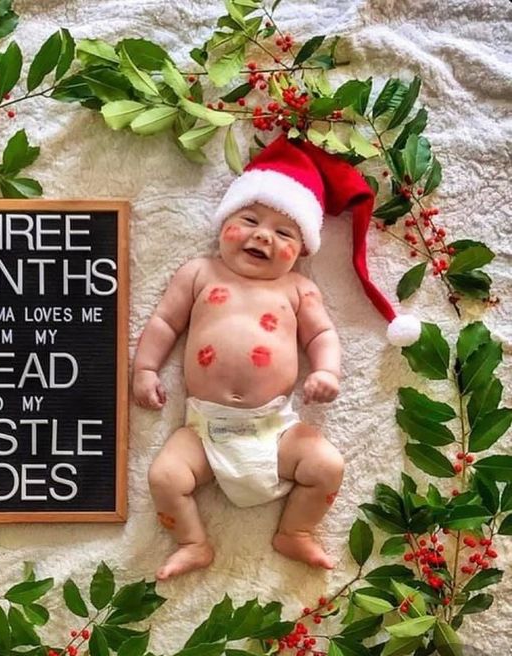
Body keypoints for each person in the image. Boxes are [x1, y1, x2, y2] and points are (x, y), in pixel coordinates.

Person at [132, 133, 421, 580]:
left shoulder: (297, 288)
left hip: (275, 428)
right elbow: (164, 324)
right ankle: (193, 541)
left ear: (302, 248)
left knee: (327, 465)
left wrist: (327, 370)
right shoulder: (199, 273)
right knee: (165, 477)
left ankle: (295, 531)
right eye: (248, 219)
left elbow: (322, 333)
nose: (262, 235)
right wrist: (146, 368)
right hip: (204, 430)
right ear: (225, 220)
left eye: (283, 232)